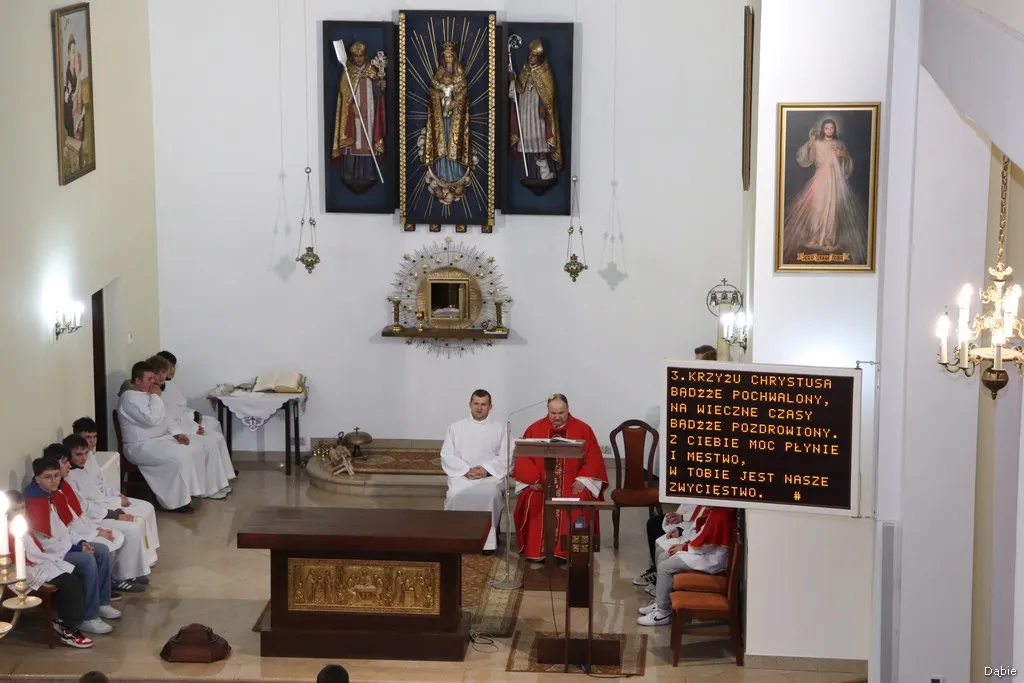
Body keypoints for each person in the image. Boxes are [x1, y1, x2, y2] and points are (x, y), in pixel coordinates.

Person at [23, 457, 121, 635]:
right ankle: (88, 617)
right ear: (37, 478)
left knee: (102, 550)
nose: (54, 481)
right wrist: (76, 548)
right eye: (48, 477)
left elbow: (66, 529)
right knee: (87, 561)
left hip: (65, 547)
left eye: (56, 476)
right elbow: (46, 543)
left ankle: (102, 603)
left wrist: (81, 542)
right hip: (50, 555)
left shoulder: (54, 495)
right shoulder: (34, 504)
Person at [512, 394, 608, 561]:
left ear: (568, 410)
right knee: (533, 498)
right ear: (548, 411)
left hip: (572, 482)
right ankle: (538, 551)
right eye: (553, 413)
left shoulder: (582, 429)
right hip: (542, 483)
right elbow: (524, 456)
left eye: (561, 413)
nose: (557, 417)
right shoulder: (534, 429)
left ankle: (569, 552)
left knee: (581, 498)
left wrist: (583, 479)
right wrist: (532, 480)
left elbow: (594, 458)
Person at [61, 436, 152, 591]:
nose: (83, 458)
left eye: (85, 453)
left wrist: (116, 501)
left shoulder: (85, 466)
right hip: (92, 519)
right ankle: (120, 576)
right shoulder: (68, 480)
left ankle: (133, 571)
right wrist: (111, 517)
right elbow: (84, 508)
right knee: (131, 530)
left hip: (97, 512)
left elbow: (100, 485)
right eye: (78, 454)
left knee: (142, 514)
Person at [5, 490, 94, 648]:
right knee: (70, 583)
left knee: (77, 574)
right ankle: (68, 630)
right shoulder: (4, 530)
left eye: (22, 508)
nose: (20, 512)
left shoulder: (21, 525)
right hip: (20, 571)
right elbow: (12, 559)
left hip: (38, 563)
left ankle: (63, 620)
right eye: (15, 509)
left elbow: (35, 550)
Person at [71, 416, 160, 567]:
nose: (92, 442)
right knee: (135, 524)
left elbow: (101, 483)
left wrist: (118, 495)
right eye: (87, 437)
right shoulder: (70, 475)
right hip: (97, 512)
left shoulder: (89, 456)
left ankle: (148, 557)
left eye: (94, 437)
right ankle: (131, 570)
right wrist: (115, 512)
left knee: (148, 507)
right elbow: (84, 505)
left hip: (105, 501)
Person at [116, 360, 201, 513]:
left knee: (190, 448)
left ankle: (185, 495)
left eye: (153, 379)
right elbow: (151, 420)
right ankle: (174, 502)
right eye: (149, 379)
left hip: (156, 441)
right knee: (177, 456)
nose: (153, 383)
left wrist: (177, 433)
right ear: (137, 380)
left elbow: (164, 416)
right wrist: (156, 397)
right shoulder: (128, 398)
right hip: (139, 446)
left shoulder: (146, 394)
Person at [147, 354, 233, 498]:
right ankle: (209, 488)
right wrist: (191, 427)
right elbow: (165, 416)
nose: (163, 376)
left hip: (180, 425)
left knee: (214, 437)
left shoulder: (165, 387)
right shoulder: (151, 393)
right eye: (159, 372)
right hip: (169, 432)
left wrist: (193, 423)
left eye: (164, 372)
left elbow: (176, 410)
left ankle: (219, 480)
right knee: (209, 443)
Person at [637, 506, 736, 627]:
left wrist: (684, 547)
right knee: (665, 556)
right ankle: (660, 603)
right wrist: (685, 544)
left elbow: (707, 545)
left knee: (664, 567)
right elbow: (703, 536)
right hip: (705, 553)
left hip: (711, 559)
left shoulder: (721, 514)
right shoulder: (717, 510)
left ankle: (662, 613)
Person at [441, 390, 508, 553]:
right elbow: (447, 455)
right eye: (476, 404)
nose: (479, 408)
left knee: (491, 494)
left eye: (483, 404)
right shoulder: (455, 427)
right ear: (470, 405)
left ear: (490, 407)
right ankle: (455, 539)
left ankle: (487, 542)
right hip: (462, 475)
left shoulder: (500, 428)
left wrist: (486, 470)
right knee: (455, 494)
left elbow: (507, 455)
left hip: (489, 476)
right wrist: (465, 470)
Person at [331, 40, 386, 190]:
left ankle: (369, 173)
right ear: (352, 57)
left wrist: (380, 86)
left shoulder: (372, 70)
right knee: (353, 141)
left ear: (364, 55)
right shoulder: (348, 72)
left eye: (360, 56)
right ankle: (349, 173)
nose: (358, 59)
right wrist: (350, 106)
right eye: (355, 56)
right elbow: (344, 94)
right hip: (353, 115)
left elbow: (377, 93)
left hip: (369, 113)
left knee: (368, 142)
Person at [508, 38, 563, 182]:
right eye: (530, 55)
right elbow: (519, 88)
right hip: (526, 108)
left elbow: (549, 92)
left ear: (539, 57)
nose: (530, 58)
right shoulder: (525, 69)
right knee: (526, 136)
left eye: (533, 55)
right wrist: (513, 80)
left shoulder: (545, 71)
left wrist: (544, 104)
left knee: (540, 136)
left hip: (538, 112)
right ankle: (529, 171)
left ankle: (544, 169)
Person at [633, 504, 705, 587]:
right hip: (691, 524)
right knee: (654, 523)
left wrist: (684, 543)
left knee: (664, 550)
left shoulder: (712, 510)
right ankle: (657, 572)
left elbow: (704, 537)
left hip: (694, 536)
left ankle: (660, 578)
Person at [155, 350, 223, 437]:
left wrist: (194, 415)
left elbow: (181, 405)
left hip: (183, 418)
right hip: (176, 423)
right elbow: (169, 414)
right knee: (210, 431)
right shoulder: (156, 389)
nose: (172, 370)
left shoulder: (170, 384)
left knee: (214, 423)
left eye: (174, 366)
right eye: (169, 367)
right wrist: (192, 422)